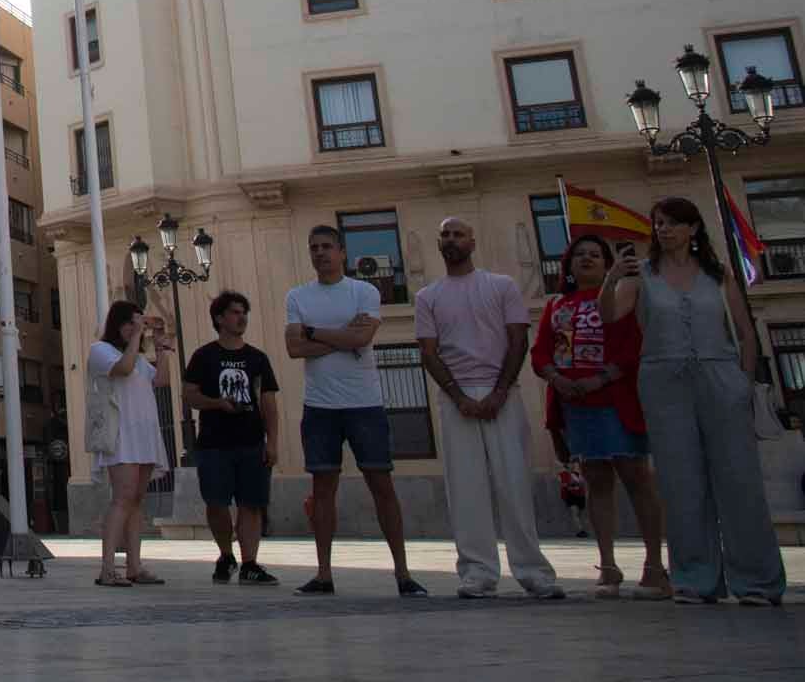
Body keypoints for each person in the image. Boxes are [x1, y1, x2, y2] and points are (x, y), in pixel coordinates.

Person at [601, 197, 787, 606]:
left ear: (693, 228)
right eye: (657, 223)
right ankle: (695, 579)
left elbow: (744, 332)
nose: (662, 230)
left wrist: (742, 380)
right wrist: (611, 277)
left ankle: (756, 582)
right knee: (680, 481)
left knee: (739, 479)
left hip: (720, 376)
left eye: (670, 223)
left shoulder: (718, 276)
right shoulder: (642, 276)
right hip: (664, 382)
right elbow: (610, 315)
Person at [413, 217, 561, 599]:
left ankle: (533, 571)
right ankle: (477, 571)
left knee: (514, 483)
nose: (451, 239)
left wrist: (498, 392)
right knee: (466, 487)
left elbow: (517, 341)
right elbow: (428, 352)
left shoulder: (501, 286)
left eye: (458, 233)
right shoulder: (427, 296)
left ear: (473, 241)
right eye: (444, 234)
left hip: (503, 397)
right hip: (455, 400)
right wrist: (459, 397)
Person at [284, 224, 425, 597]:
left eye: (327, 246)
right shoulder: (297, 296)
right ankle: (324, 574)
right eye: (314, 247)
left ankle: (403, 573)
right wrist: (340, 337)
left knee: (382, 484)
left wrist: (315, 333)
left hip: (365, 405)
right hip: (320, 408)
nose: (320, 253)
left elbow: (362, 338)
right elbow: (294, 349)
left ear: (342, 252)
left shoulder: (363, 291)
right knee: (323, 487)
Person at [534, 233, 669, 598]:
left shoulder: (622, 297)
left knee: (636, 476)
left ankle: (655, 565)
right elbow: (541, 352)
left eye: (595, 254)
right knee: (596, 480)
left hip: (617, 401)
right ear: (569, 265)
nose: (588, 259)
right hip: (576, 407)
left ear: (607, 264)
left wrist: (601, 378)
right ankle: (607, 565)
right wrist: (558, 379)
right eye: (580, 255)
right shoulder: (557, 304)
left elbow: (632, 347)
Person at [181, 290, 281, 586]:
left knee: (251, 503)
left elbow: (269, 404)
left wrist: (272, 442)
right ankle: (226, 554)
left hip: (251, 441)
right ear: (219, 318)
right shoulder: (204, 356)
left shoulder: (257, 358)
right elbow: (189, 395)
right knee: (216, 502)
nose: (242, 318)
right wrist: (217, 403)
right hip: (214, 443)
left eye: (244, 312)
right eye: (235, 312)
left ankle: (250, 563)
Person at [84, 299, 170, 588]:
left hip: (144, 435)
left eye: (139, 323)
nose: (136, 328)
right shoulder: (100, 351)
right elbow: (122, 369)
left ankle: (135, 566)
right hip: (121, 436)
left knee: (136, 501)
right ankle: (107, 568)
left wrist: (161, 347)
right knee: (122, 498)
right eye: (131, 322)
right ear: (118, 324)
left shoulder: (140, 359)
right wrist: (137, 337)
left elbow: (162, 381)